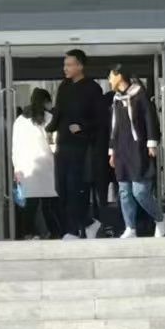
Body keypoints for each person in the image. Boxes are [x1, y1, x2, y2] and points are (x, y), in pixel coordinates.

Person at [108, 64, 165, 240]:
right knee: (124, 191)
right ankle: (130, 228)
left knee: (140, 192)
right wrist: (112, 151)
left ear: (119, 76)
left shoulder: (140, 94)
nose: (109, 80)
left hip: (139, 149)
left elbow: (150, 119)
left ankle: (160, 218)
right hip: (121, 150)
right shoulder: (116, 98)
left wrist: (152, 143)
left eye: (111, 76)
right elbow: (113, 126)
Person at [52, 49, 107, 241]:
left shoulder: (92, 88)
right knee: (61, 189)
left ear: (80, 66)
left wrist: (82, 127)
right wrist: (50, 127)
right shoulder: (64, 86)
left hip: (81, 147)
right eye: (64, 65)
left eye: (69, 65)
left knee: (76, 189)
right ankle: (88, 223)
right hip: (63, 145)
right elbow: (59, 111)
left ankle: (74, 230)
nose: (65, 68)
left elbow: (101, 119)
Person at [12, 88, 61, 240]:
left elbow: (16, 146)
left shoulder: (20, 120)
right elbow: (55, 144)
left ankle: (28, 233)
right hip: (47, 166)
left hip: (27, 167)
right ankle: (55, 232)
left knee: (30, 204)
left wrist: (17, 168)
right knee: (49, 204)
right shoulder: (50, 118)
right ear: (46, 102)